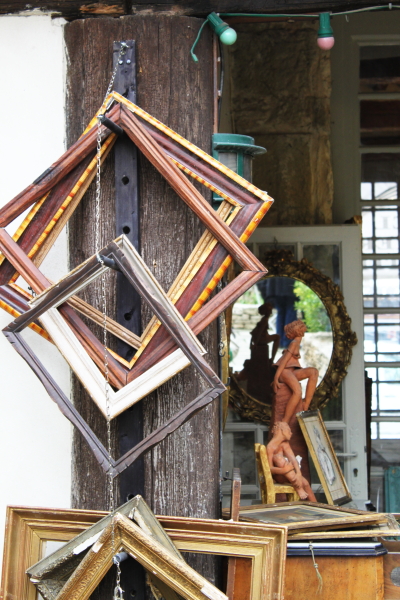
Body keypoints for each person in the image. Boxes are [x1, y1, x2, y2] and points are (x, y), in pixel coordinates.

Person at [272, 320, 318, 423]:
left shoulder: (297, 343)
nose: (303, 330)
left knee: (313, 372)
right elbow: (284, 362)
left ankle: (305, 405)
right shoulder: (294, 344)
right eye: (301, 329)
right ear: (298, 331)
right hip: (284, 372)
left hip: (291, 372)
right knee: (297, 392)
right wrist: (276, 378)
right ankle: (285, 421)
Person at [267, 421, 316, 501]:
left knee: (305, 483)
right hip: (279, 475)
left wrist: (299, 474)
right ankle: (298, 488)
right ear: (282, 431)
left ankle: (316, 505)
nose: (291, 433)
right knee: (278, 459)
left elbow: (293, 459)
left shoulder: (285, 444)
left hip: (288, 473)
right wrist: (284, 470)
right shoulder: (270, 447)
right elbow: (270, 469)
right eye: (289, 431)